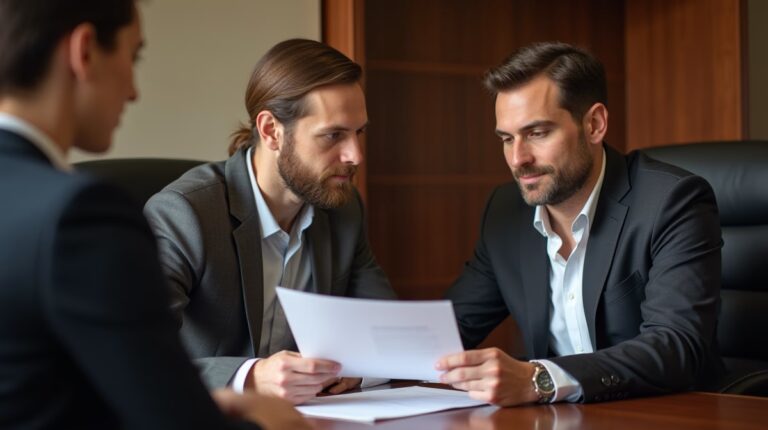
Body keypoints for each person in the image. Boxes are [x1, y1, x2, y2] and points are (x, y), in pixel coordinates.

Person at [0, 1, 308, 428]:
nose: (133, 91)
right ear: (84, 51)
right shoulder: (81, 215)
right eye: (133, 56)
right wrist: (270, 423)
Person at [436, 42, 723, 406]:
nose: (518, 159)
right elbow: (449, 331)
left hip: (668, 413)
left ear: (594, 124)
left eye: (537, 133)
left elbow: (677, 345)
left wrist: (539, 378)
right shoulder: (505, 212)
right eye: (507, 139)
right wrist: (363, 370)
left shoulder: (673, 201)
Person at [144, 38, 396, 405]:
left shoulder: (343, 209)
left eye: (360, 133)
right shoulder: (185, 214)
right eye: (333, 135)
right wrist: (250, 377)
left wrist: (357, 367)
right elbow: (136, 352)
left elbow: (387, 331)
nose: (355, 155)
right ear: (271, 131)